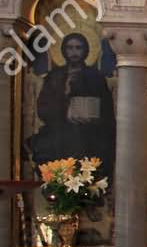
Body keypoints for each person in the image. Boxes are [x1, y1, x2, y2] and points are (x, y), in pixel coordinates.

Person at [30, 33, 116, 176]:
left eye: (78, 48)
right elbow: (43, 108)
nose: (74, 52)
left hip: (90, 133)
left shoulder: (95, 76)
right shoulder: (54, 76)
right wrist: (65, 96)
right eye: (70, 48)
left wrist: (92, 117)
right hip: (59, 130)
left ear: (86, 50)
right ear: (64, 50)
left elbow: (106, 110)